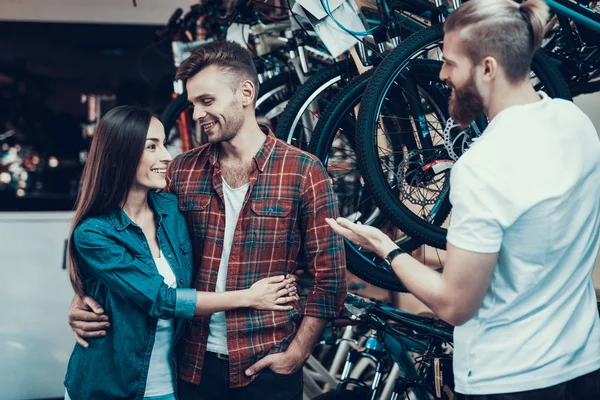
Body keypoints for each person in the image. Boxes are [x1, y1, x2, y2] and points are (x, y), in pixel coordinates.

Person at [327, 0, 600, 398]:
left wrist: (386, 248)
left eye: (450, 63)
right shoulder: (574, 122)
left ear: (488, 68)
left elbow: (455, 305)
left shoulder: (483, 166)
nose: (441, 74)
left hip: (510, 379)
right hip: (583, 366)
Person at [68, 41, 347, 400]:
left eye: (207, 101)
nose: (197, 114)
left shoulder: (303, 171)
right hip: (191, 365)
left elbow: (331, 277)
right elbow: (119, 225)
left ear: (245, 93)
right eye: (193, 103)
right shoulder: (182, 170)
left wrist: (297, 353)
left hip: (266, 361)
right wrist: (83, 298)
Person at [63, 105, 298, 400]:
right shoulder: (94, 234)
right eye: (152, 146)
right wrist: (250, 297)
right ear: (118, 156)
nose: (166, 156)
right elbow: (160, 299)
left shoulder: (172, 209)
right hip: (109, 387)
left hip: (173, 383)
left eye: (163, 143)